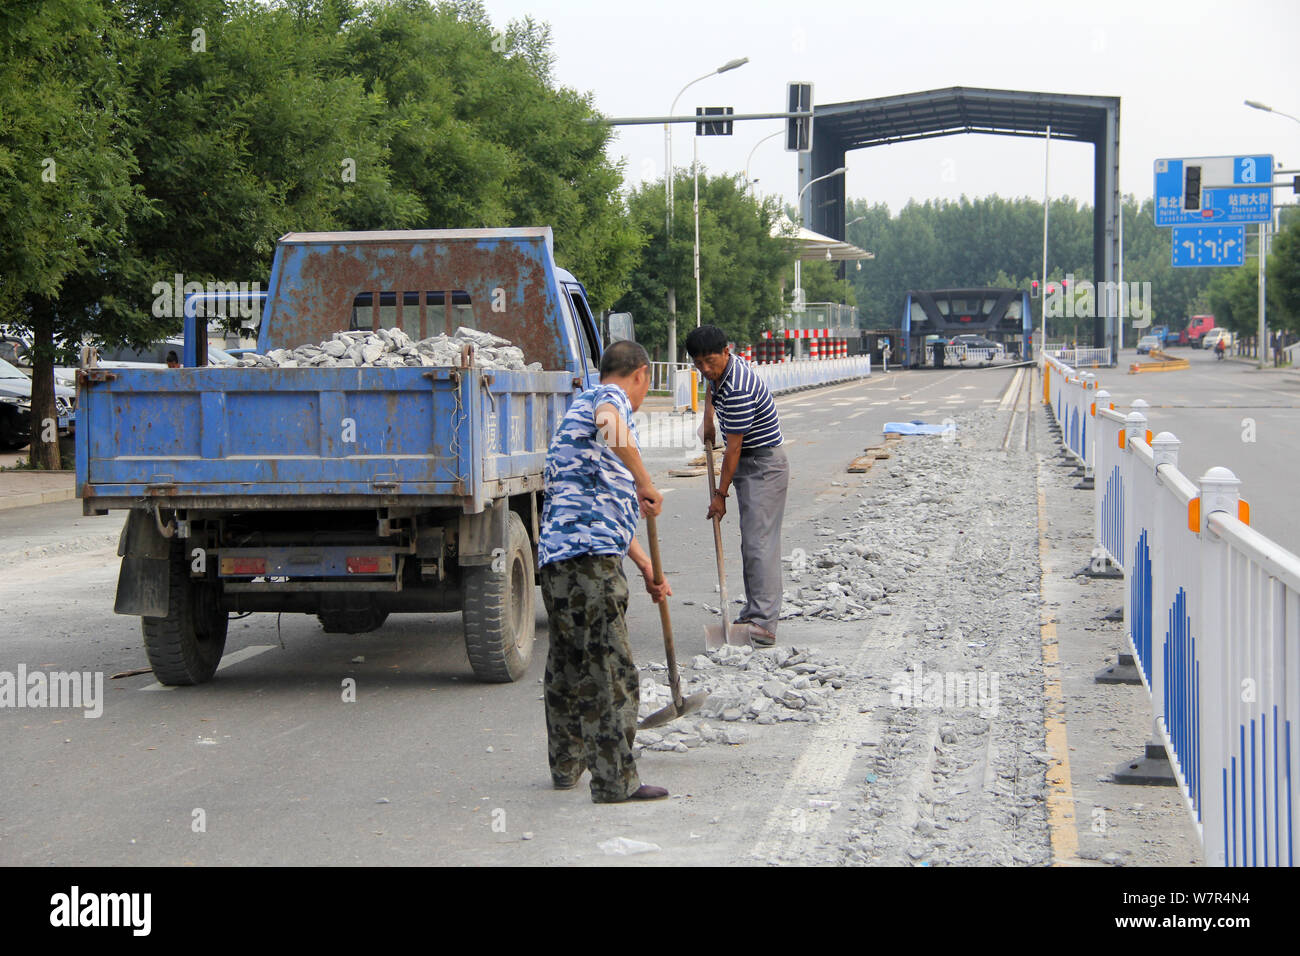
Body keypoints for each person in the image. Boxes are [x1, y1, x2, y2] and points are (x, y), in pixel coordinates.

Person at [537, 340, 672, 803]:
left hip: (560, 562)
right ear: (640, 375)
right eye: (646, 386)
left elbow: (594, 504)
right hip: (589, 566)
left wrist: (643, 563)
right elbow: (612, 424)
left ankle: (566, 764)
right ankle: (615, 781)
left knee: (568, 666)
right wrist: (644, 479)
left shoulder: (576, 412)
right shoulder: (608, 400)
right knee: (610, 669)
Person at [687, 325, 788, 647]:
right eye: (698, 362)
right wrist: (707, 418)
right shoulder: (720, 373)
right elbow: (711, 384)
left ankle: (765, 625)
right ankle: (752, 613)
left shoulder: (740, 387)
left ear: (726, 351)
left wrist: (720, 495)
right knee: (752, 543)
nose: (705, 368)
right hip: (748, 461)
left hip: (763, 465)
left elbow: (733, 450)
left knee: (760, 544)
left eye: (710, 360)